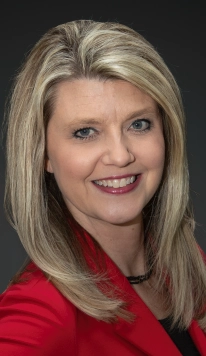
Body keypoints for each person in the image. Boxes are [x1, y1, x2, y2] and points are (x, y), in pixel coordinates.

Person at [0, 20, 205, 356]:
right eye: (85, 132)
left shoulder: (189, 270)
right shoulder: (39, 311)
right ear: (42, 154)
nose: (121, 156)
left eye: (139, 124)